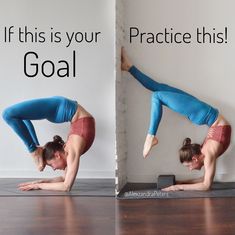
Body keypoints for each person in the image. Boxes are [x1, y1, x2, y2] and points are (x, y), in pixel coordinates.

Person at [121, 48, 231, 191]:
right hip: (203, 114)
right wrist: (178, 187)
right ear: (194, 159)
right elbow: (205, 185)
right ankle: (151, 136)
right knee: (158, 94)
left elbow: (204, 182)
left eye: (188, 167)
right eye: (189, 166)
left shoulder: (206, 154)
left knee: (159, 90)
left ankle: (129, 67)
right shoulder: (208, 154)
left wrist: (178, 184)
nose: (190, 169)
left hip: (205, 114)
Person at [2, 96, 95, 191]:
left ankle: (34, 149)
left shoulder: (71, 151)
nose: (54, 169)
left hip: (63, 109)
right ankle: (34, 149)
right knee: (8, 114)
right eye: (51, 165)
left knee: (12, 115)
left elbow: (66, 185)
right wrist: (40, 182)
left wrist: (38, 185)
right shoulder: (71, 152)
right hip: (61, 108)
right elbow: (64, 182)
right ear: (57, 155)